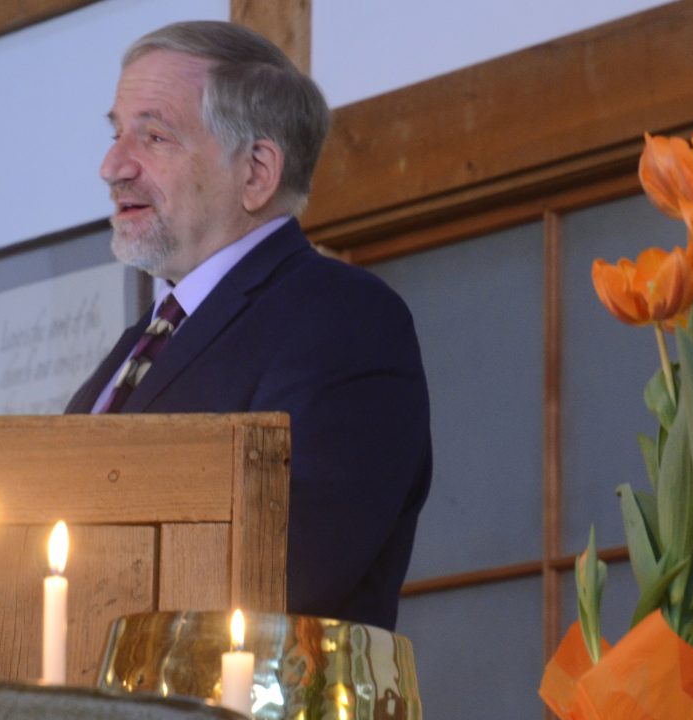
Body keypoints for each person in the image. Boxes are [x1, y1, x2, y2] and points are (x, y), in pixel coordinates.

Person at [64, 21, 431, 629]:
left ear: (257, 171)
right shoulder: (143, 341)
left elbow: (285, 576)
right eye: (116, 133)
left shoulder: (344, 321)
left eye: (153, 136)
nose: (111, 166)